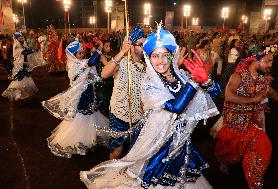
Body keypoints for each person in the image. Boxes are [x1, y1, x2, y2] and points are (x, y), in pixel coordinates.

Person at [80, 23, 221, 189]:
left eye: (165, 55)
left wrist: (207, 81)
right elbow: (175, 107)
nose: (160, 61)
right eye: (155, 56)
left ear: (171, 55)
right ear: (149, 57)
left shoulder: (181, 76)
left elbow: (211, 96)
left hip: (180, 143)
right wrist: (194, 82)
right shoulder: (149, 84)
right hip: (158, 144)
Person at [214, 45, 278, 189]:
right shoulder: (238, 76)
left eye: (271, 61)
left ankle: (254, 182)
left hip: (253, 123)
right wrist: (255, 99)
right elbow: (229, 95)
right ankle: (224, 161)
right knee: (229, 150)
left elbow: (272, 93)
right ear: (255, 61)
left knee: (262, 147)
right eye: (267, 61)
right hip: (234, 122)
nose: (270, 65)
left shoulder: (263, 79)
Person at [42, 39, 109, 158]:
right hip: (81, 96)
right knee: (82, 117)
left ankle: (91, 139)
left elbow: (91, 64)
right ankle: (81, 141)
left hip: (89, 93)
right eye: (79, 53)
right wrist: (99, 49)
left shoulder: (80, 62)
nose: (82, 54)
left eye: (82, 52)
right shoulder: (74, 65)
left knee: (91, 115)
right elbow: (92, 62)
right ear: (73, 55)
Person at [100, 26, 147, 159]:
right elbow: (104, 74)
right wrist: (121, 52)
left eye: (145, 45)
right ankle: (111, 176)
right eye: (141, 45)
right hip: (119, 114)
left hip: (138, 116)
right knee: (117, 152)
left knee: (136, 153)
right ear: (131, 46)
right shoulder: (121, 62)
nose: (144, 48)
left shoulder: (145, 67)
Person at [2, 32, 42, 101]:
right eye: (19, 38)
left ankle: (24, 95)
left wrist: (33, 50)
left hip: (25, 63)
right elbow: (24, 52)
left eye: (21, 37)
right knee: (19, 79)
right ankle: (16, 94)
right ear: (16, 39)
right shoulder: (16, 45)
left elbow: (27, 51)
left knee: (26, 78)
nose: (21, 39)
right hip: (20, 65)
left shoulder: (22, 45)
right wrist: (32, 50)